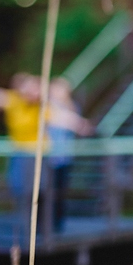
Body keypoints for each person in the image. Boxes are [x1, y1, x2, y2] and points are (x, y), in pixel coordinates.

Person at [0, 73, 92, 234]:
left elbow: (62, 117)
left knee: (41, 190)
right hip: (20, 153)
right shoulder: (14, 101)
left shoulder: (42, 107)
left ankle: (42, 226)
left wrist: (80, 124)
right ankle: (30, 224)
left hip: (39, 154)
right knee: (20, 188)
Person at [47, 77, 78, 231]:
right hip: (49, 157)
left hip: (64, 158)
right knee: (47, 192)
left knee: (60, 192)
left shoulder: (71, 107)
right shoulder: (46, 107)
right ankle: (46, 222)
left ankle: (57, 223)